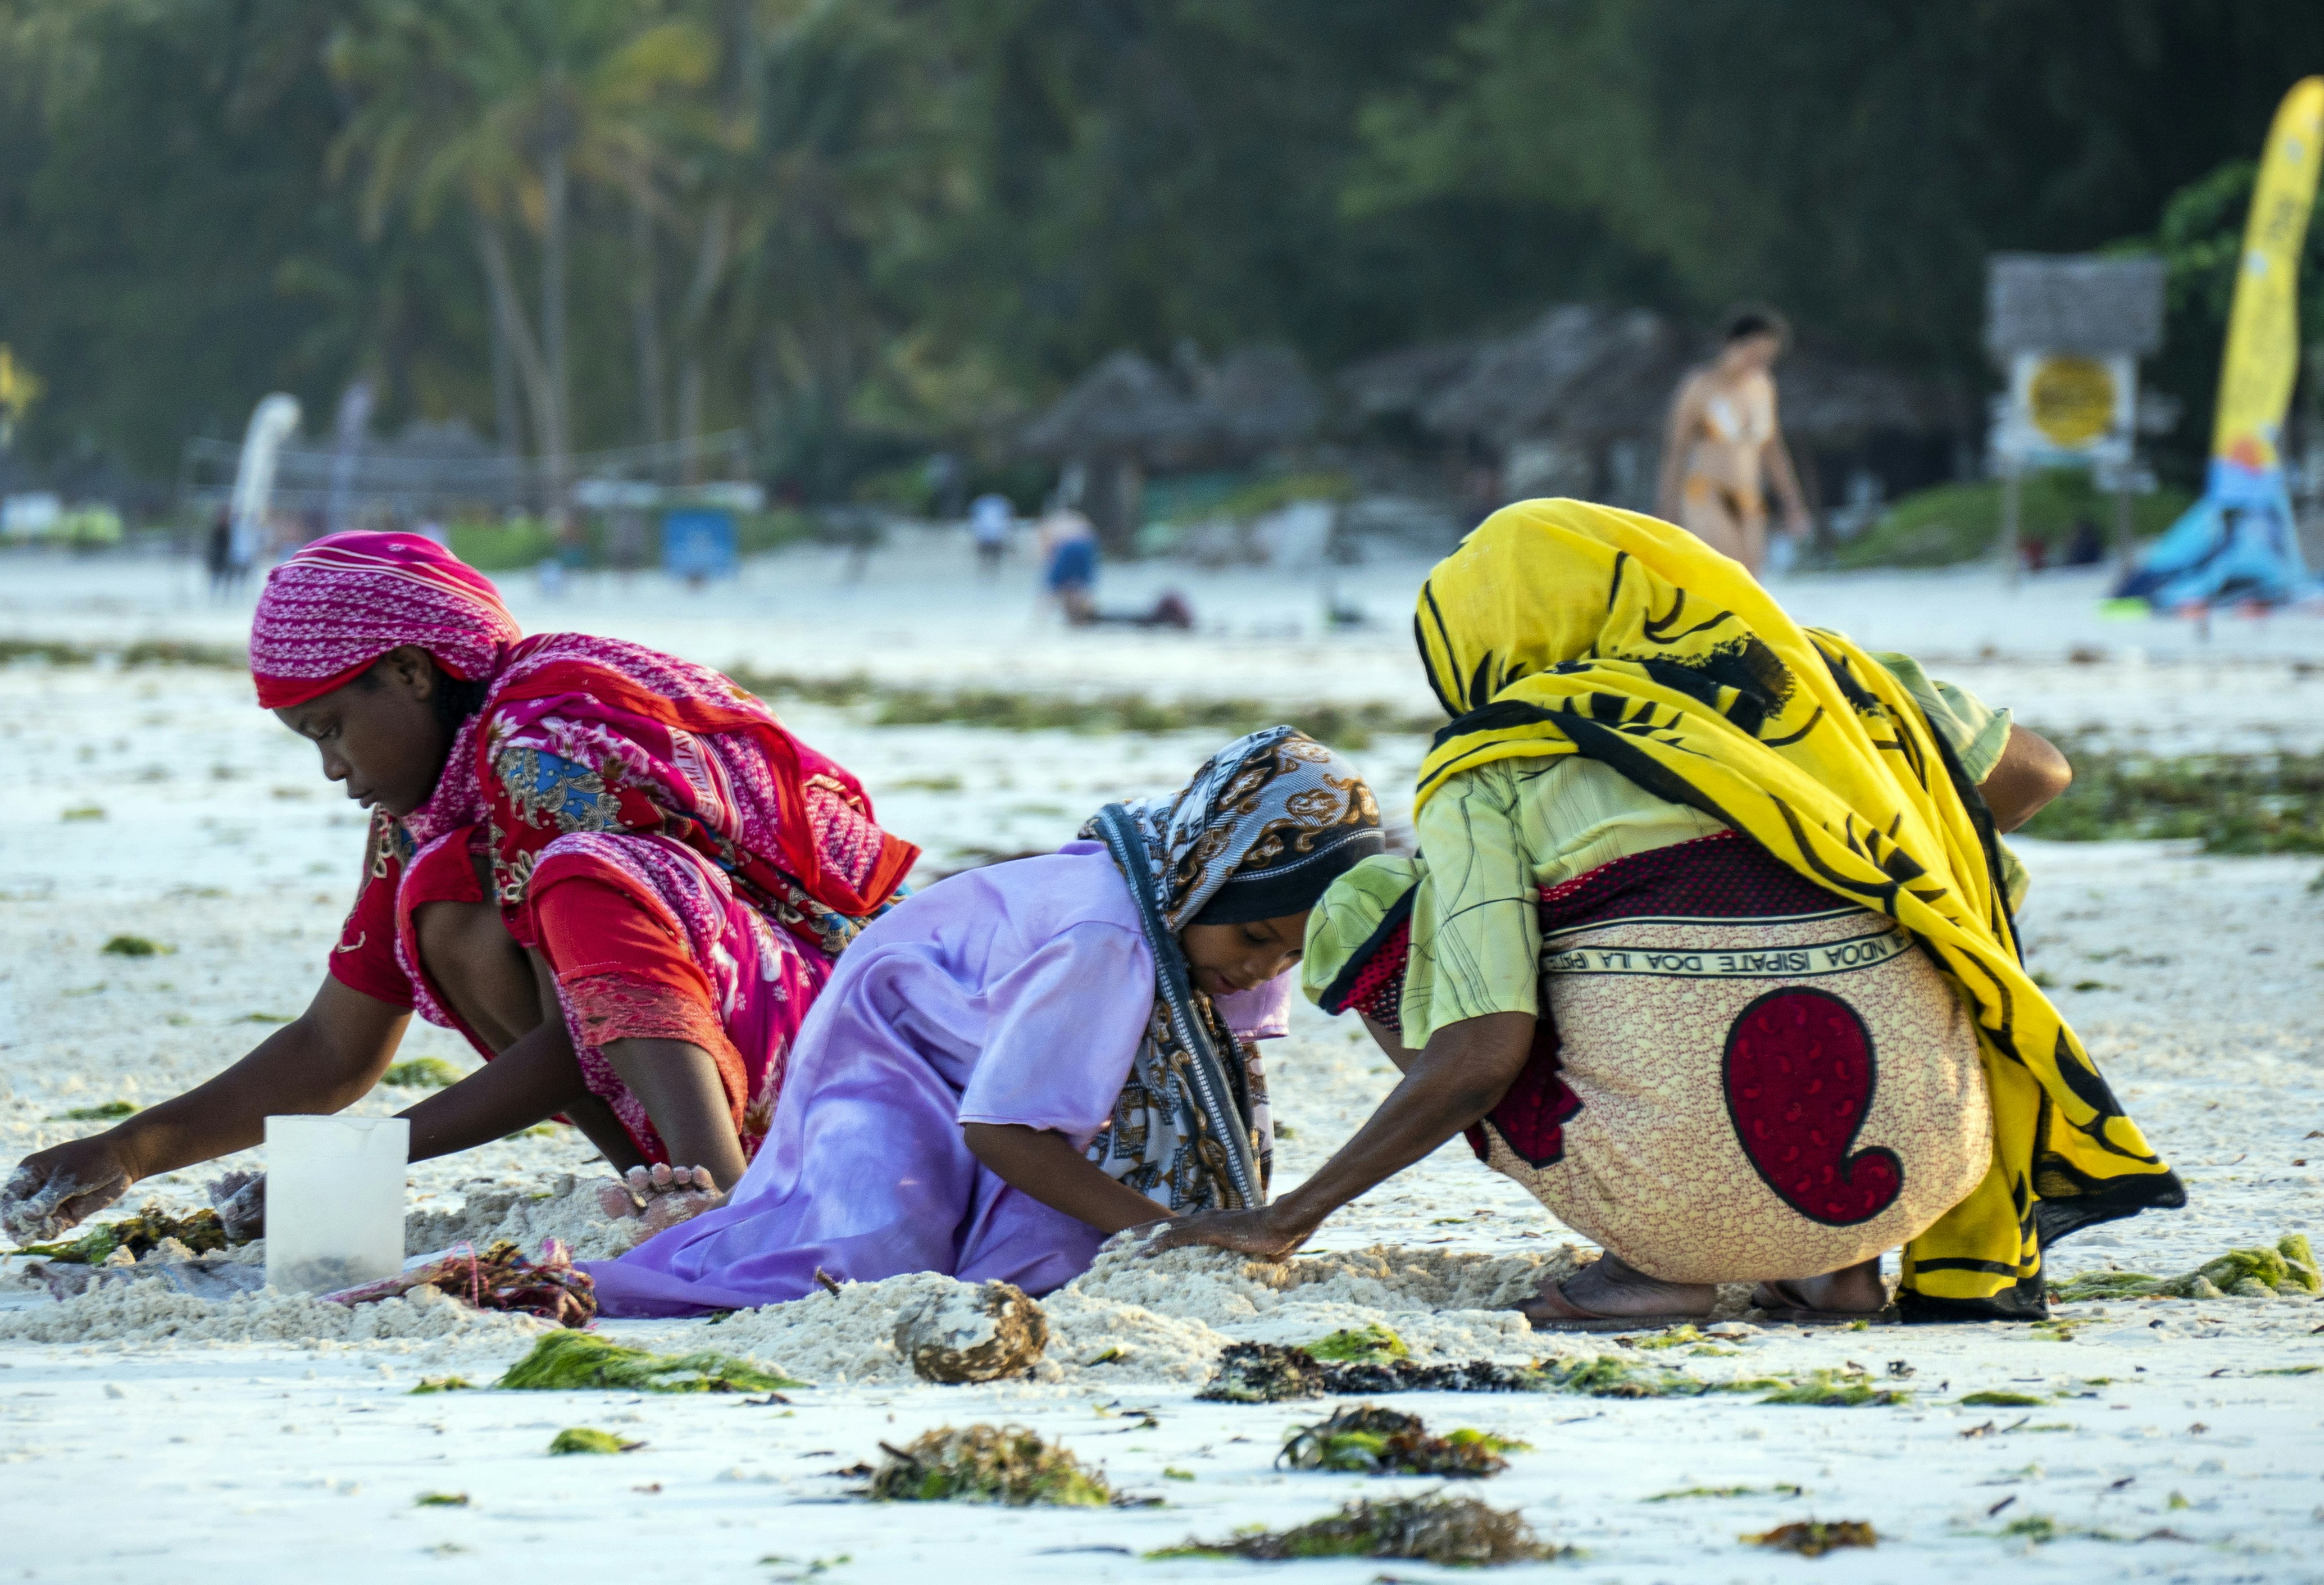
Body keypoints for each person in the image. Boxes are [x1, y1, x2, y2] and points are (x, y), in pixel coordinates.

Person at [1156, 500, 2182, 1325]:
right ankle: (1839, 1268)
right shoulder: (1827, 681)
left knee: (1382, 905)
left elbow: (1484, 1048)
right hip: (1923, 1172)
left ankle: (1656, 1265)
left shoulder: (1497, 760)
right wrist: (1845, 823)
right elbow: (2038, 773)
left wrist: (1288, 1218)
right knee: (1925, 872)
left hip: (1676, 1203)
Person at [0, 530, 918, 1246]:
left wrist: (354, 1164)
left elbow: (581, 1038)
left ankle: (716, 1196)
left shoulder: (543, 745)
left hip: (858, 1054)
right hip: (764, 1049)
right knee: (444, 902)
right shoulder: (429, 815)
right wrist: (131, 1152)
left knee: (574, 876)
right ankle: (676, 1181)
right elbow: (333, 1046)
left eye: (331, 728)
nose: (331, 768)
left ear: (409, 672)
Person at [581, 727, 1385, 1315]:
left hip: (977, 1056)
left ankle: (717, 1216)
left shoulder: (1159, 896)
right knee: (863, 1264)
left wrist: (1163, 1228)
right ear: (1209, 881)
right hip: (892, 1053)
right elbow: (1003, 1131)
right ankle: (683, 1246)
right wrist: (1172, 1235)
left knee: (1059, 1239)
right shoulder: (1108, 938)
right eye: (1252, 937)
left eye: (1286, 959)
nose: (1258, 973)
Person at [1657, 307, 1814, 573]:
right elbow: (1676, 452)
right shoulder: (1699, 387)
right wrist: (1665, 513)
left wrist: (1792, 503)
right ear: (1731, 345)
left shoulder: (1763, 386)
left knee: (1751, 574)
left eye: (1767, 358)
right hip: (1706, 492)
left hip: (1749, 495)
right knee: (1725, 568)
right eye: (1753, 354)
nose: (1758, 363)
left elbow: (1773, 450)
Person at [1036, 503, 1099, 623]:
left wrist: (1052, 571)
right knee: (1083, 588)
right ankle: (1089, 617)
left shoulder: (1050, 522)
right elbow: (1091, 539)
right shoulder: (1079, 519)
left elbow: (1047, 549)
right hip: (1084, 546)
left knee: (1052, 588)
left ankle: (1039, 621)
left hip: (1066, 547)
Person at [968, 492, 1015, 578]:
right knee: (990, 554)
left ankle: (987, 572)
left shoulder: (982, 505)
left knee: (989, 554)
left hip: (988, 536)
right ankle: (990, 572)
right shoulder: (1000, 505)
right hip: (993, 536)